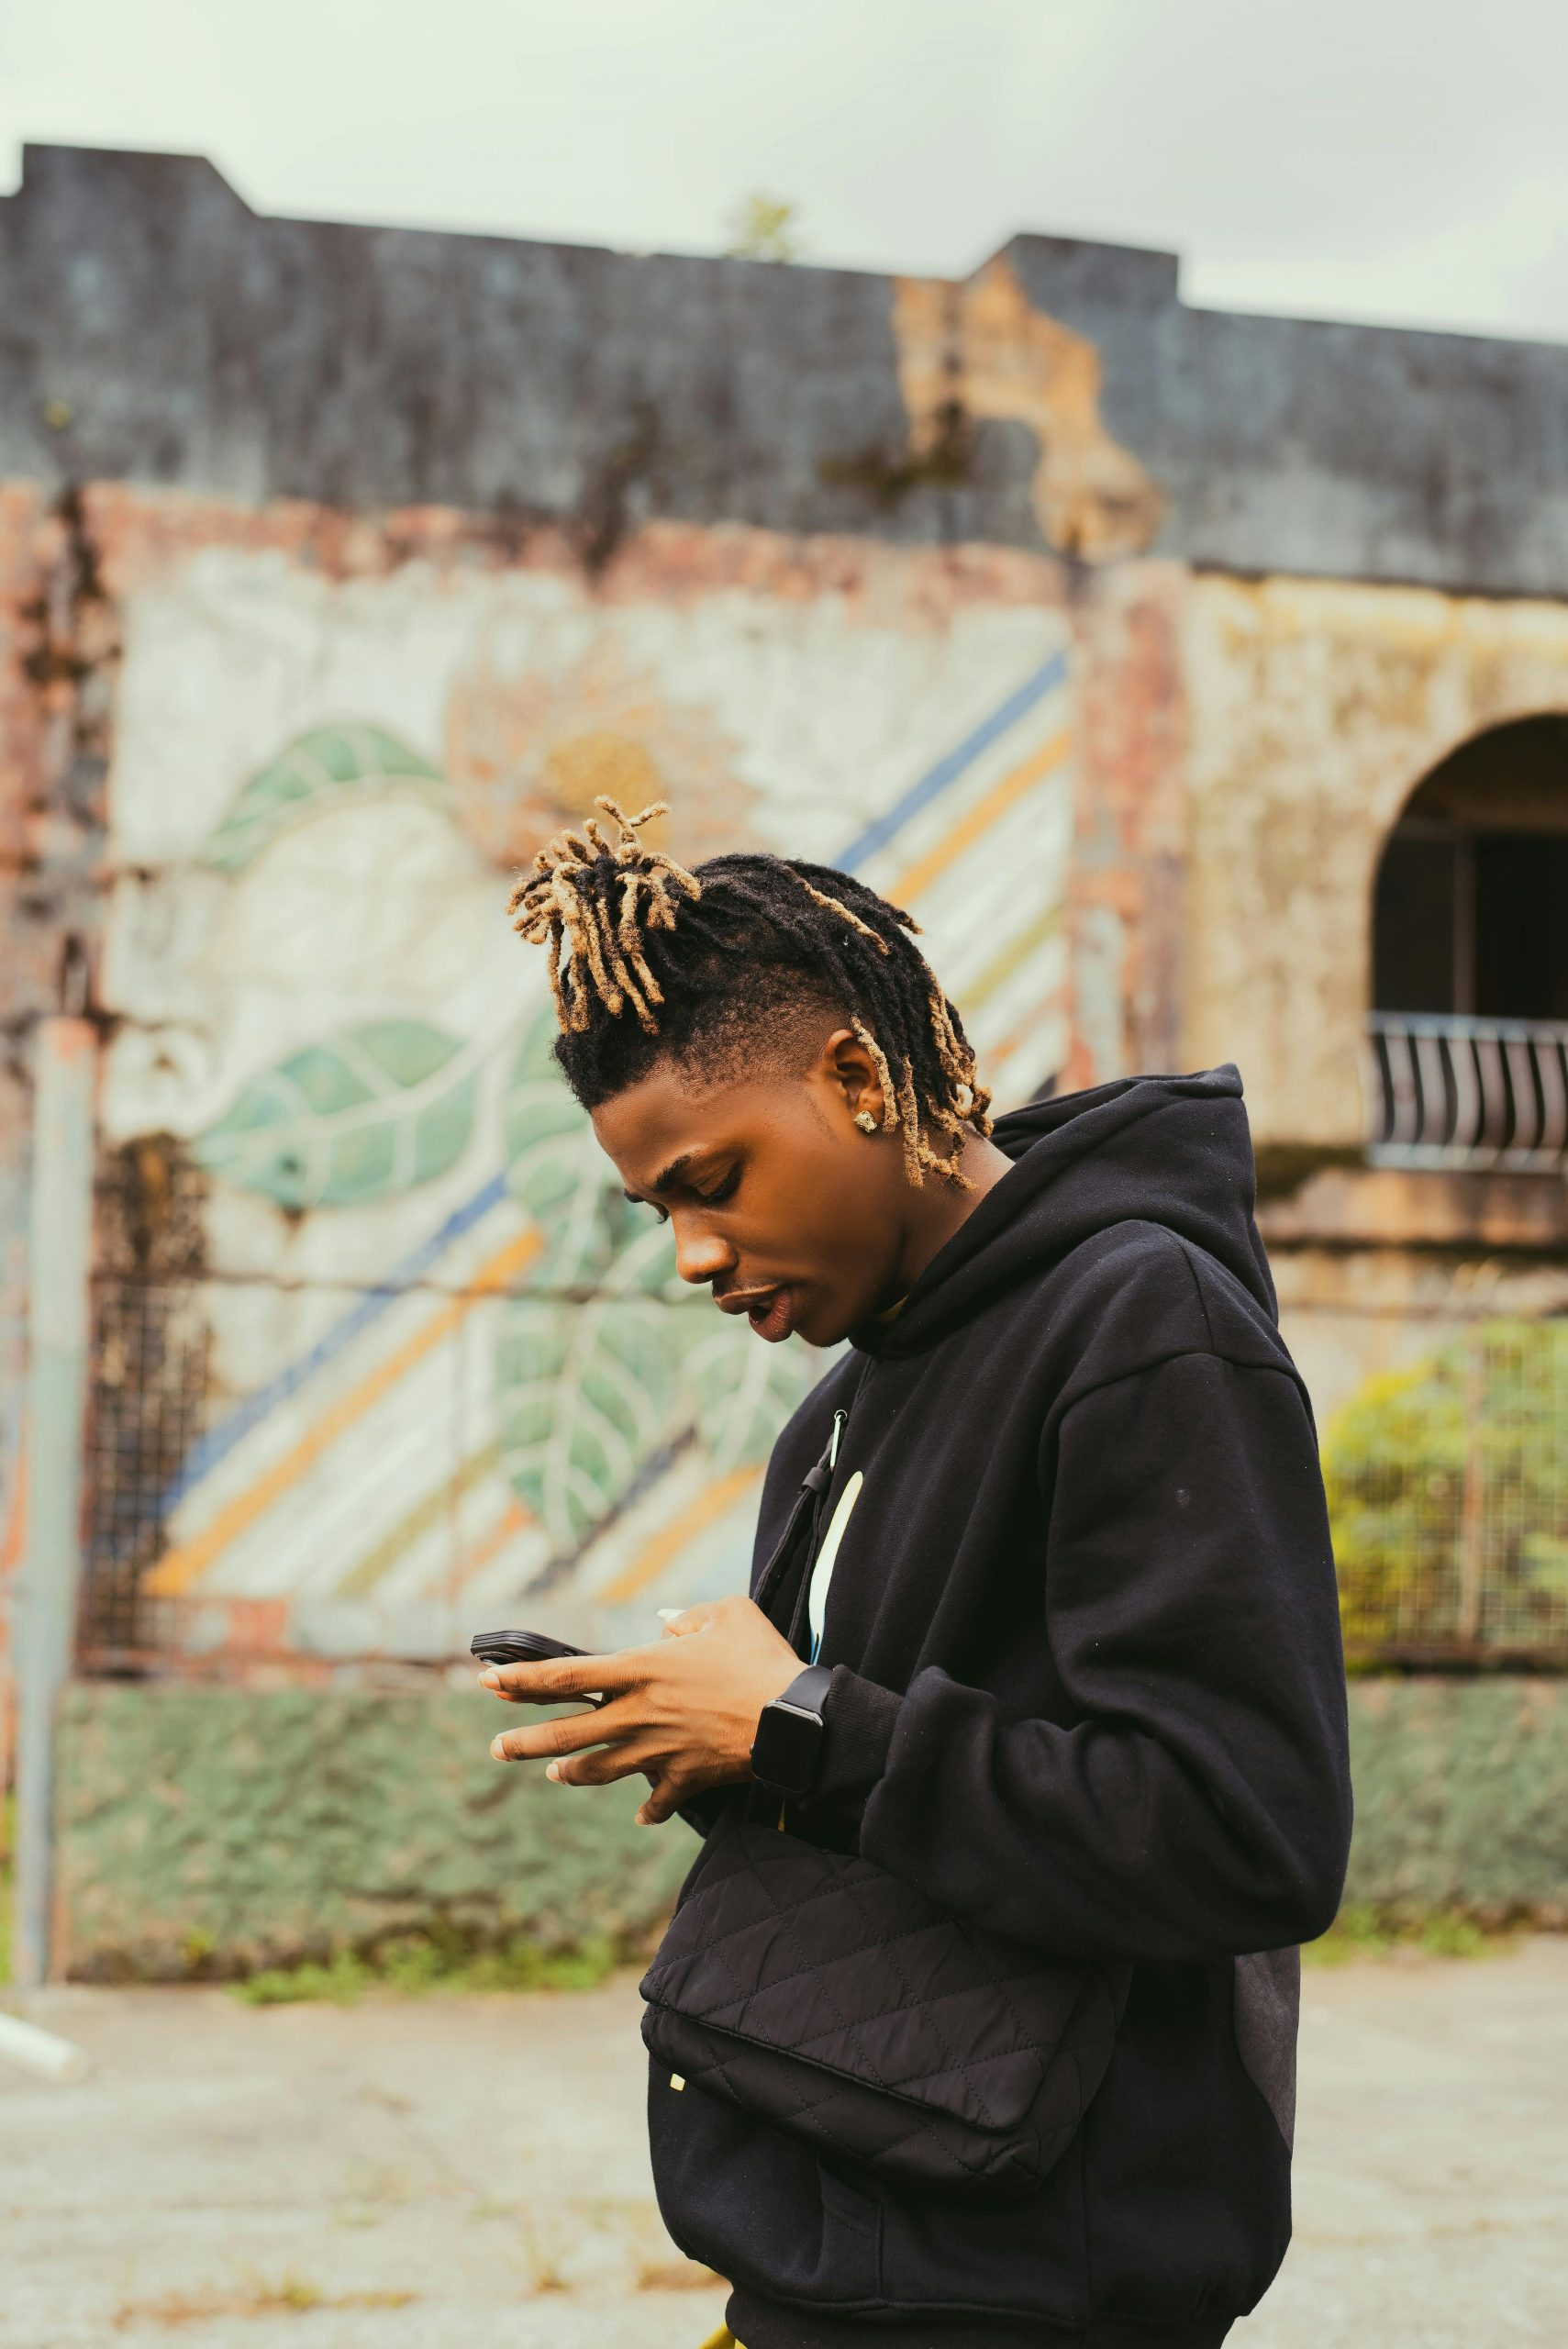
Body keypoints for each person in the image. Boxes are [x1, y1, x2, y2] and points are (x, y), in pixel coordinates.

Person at [480, 796, 1352, 2349]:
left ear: (857, 1078)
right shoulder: (838, 1405)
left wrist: (796, 1726)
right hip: (825, 2251)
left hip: (1031, 2281)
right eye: (658, 1208)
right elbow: (882, 1785)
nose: (691, 1253)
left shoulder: (1139, 1326)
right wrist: (723, 1737)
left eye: (713, 1178)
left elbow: (1239, 1833)